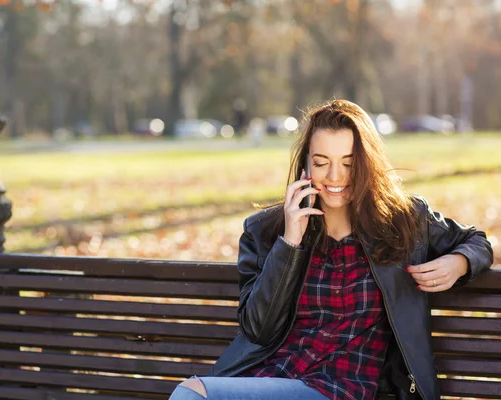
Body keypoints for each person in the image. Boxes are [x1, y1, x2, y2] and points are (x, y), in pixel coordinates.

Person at [168, 100, 493, 400]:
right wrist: (289, 243)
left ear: (367, 165)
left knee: (192, 395)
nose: (335, 177)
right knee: (194, 394)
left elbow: (477, 241)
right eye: (322, 163)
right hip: (278, 378)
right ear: (306, 164)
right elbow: (258, 330)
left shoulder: (404, 221)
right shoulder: (266, 232)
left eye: (349, 164)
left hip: (350, 386)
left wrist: (458, 262)